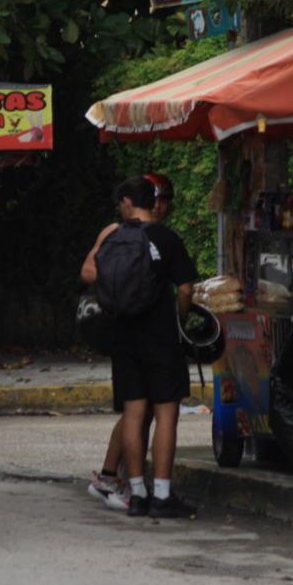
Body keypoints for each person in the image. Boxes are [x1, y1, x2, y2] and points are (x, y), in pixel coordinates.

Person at [83, 175, 199, 518]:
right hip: (161, 336)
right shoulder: (168, 238)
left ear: (127, 203)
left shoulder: (114, 236)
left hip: (124, 336)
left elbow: (92, 273)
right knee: (166, 414)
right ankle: (162, 495)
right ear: (156, 202)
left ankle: (136, 494)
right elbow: (186, 290)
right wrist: (180, 319)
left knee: (133, 414)